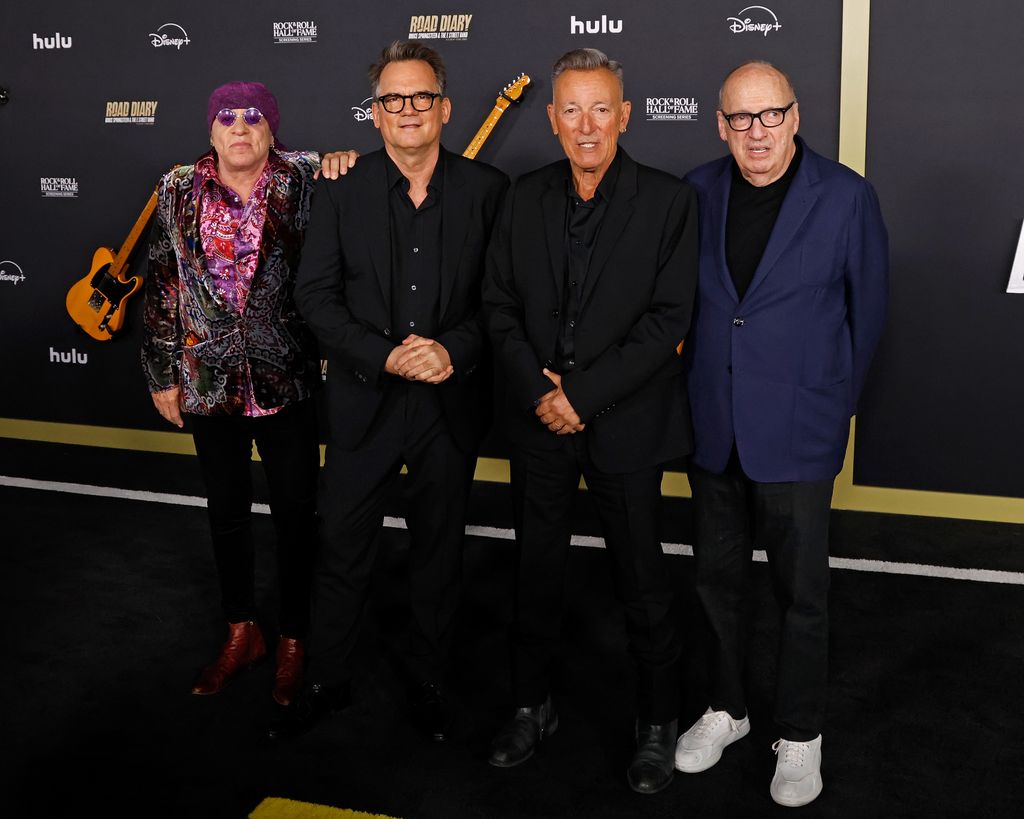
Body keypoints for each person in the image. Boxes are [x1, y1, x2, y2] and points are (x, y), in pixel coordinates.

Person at [268, 41, 508, 742]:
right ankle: (327, 677)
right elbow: (315, 296)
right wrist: (386, 356)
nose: (408, 111)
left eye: (421, 97)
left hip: (448, 403)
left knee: (438, 552)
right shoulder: (338, 188)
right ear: (373, 115)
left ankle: (431, 684)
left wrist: (449, 350)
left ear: (446, 108)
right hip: (363, 401)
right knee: (342, 547)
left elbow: (498, 301)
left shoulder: (488, 192)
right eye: (392, 100)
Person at [482, 48, 699, 794]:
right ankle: (529, 703)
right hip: (538, 418)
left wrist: (582, 393)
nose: (585, 124)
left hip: (626, 423)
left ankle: (656, 721)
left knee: (642, 576)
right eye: (570, 109)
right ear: (551, 118)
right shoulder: (523, 196)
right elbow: (497, 305)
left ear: (624, 115)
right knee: (535, 570)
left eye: (600, 107)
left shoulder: (670, 202)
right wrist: (537, 386)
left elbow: (669, 319)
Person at [677, 61, 889, 807]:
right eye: (741, 119)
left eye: (771, 116)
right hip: (714, 428)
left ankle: (800, 732)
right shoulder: (695, 193)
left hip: (801, 430)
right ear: (721, 125)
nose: (757, 132)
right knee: (715, 582)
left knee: (801, 592)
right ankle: (727, 709)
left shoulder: (846, 196)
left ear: (795, 117)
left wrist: (834, 413)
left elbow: (868, 319)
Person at [141, 82, 352, 706]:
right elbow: (161, 283)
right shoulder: (177, 186)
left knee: (295, 514)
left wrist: (349, 158)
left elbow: (379, 172)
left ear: (271, 128)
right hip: (208, 379)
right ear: (210, 131)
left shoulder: (308, 176)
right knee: (226, 512)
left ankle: (293, 636)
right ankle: (241, 631)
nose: (239, 128)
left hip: (285, 375)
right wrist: (162, 374)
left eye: (253, 117)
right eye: (226, 118)